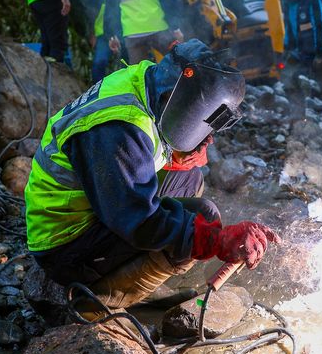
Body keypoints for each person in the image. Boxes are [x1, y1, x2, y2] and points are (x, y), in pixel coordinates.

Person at [24, 40, 279, 312]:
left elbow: (144, 150)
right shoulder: (118, 127)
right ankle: (97, 300)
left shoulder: (150, 80)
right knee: (200, 219)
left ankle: (136, 278)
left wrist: (180, 155)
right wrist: (216, 240)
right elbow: (140, 219)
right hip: (64, 242)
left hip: (96, 205)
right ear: (178, 97)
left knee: (190, 179)